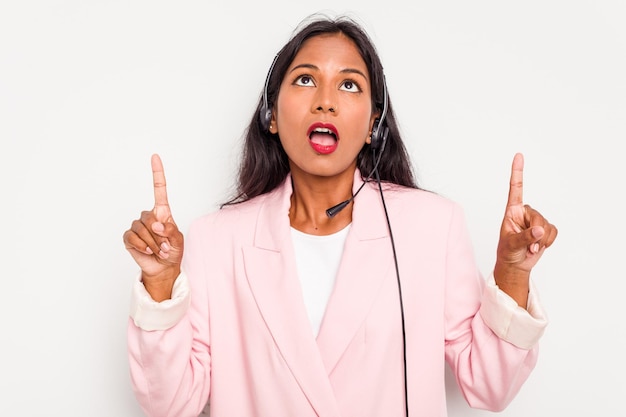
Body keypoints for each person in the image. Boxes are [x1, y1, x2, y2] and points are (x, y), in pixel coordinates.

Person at [123, 14, 558, 417]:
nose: (326, 101)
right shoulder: (217, 240)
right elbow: (171, 401)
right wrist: (160, 285)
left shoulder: (431, 227)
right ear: (271, 115)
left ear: (375, 124)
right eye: (306, 79)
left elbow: (489, 386)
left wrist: (511, 274)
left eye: (348, 85)